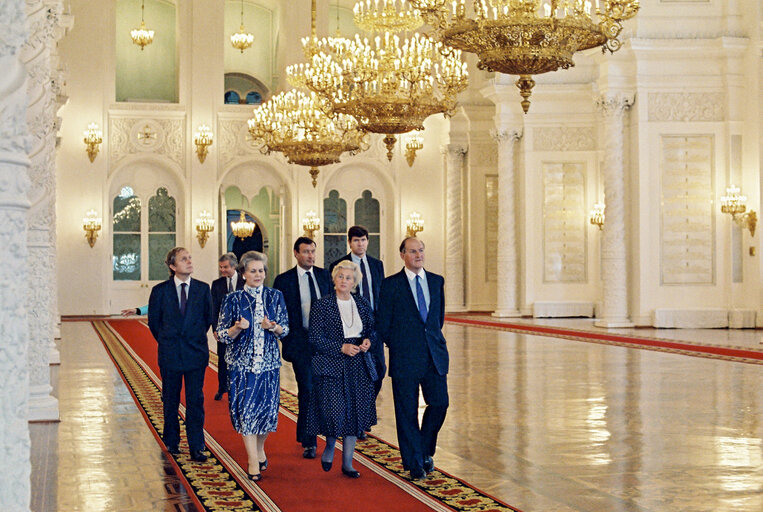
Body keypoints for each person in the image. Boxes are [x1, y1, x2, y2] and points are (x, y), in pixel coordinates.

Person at [377, 237, 449, 480]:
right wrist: (400, 344)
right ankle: (414, 462)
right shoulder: (390, 285)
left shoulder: (436, 281)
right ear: (402, 255)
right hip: (405, 357)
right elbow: (383, 324)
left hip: (434, 356)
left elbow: (437, 320)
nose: (418, 255)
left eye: (421, 250)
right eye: (412, 251)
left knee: (440, 403)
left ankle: (424, 448)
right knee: (406, 411)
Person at [216, 251, 288, 481]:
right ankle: (251, 460)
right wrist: (236, 328)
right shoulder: (232, 299)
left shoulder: (275, 296)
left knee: (267, 414)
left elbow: (285, 330)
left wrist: (273, 327)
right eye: (253, 271)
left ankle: (259, 449)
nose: (258, 275)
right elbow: (220, 335)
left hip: (268, 366)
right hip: (241, 366)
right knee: (246, 413)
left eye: (261, 271)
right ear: (243, 273)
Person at [306, 260, 378, 478]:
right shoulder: (322, 305)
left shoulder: (363, 303)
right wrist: (340, 347)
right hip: (332, 365)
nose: (344, 281)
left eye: (348, 277)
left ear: (354, 281)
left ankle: (348, 463)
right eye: (341, 276)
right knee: (334, 410)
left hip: (358, 365)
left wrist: (368, 341)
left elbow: (372, 331)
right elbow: (314, 338)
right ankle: (329, 445)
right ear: (334, 279)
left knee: (354, 414)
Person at [148, 247, 214, 462]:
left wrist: (191, 338)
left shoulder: (203, 289)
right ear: (173, 266)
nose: (189, 261)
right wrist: (168, 341)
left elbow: (207, 318)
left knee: (195, 400)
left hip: (195, 353)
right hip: (170, 354)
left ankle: (197, 445)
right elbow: (154, 324)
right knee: (170, 398)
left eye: (190, 258)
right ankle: (172, 441)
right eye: (183, 259)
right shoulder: (160, 291)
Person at [273, 237, 331, 459]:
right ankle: (310, 441)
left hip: (325, 345)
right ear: (295, 253)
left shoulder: (324, 275)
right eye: (306, 252)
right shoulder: (284, 280)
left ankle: (308, 431)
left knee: (321, 390)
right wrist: (287, 340)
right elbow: (279, 312)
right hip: (301, 344)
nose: (310, 256)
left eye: (313, 252)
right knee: (307, 389)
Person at [328, 225, 386, 401]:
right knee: (354, 372)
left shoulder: (377, 265)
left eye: (363, 240)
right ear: (349, 243)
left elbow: (380, 293)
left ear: (367, 241)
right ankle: (356, 414)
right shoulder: (338, 265)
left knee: (379, 370)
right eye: (356, 240)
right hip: (350, 325)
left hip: (373, 326)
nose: (360, 244)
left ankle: (367, 406)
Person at [211, 252, 245, 401]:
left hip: (243, 329)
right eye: (220, 267)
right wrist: (215, 329)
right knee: (223, 360)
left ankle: (240, 389)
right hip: (224, 330)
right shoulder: (217, 284)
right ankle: (222, 388)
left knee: (242, 360)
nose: (222, 270)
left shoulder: (245, 282)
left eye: (225, 267)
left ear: (234, 266)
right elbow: (214, 308)